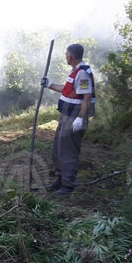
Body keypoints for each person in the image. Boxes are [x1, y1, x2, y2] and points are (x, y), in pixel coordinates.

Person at [40, 43, 95, 196]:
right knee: (58, 147)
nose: (65, 56)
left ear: (70, 56)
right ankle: (60, 179)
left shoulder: (82, 73)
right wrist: (49, 85)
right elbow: (67, 90)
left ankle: (68, 185)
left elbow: (87, 97)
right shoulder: (75, 71)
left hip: (74, 117)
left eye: (66, 54)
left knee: (68, 151)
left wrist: (79, 119)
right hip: (66, 116)